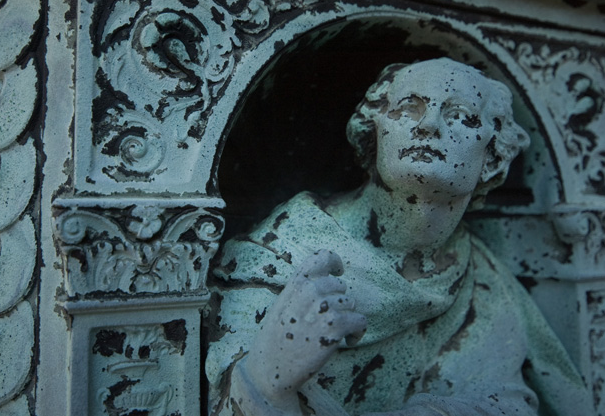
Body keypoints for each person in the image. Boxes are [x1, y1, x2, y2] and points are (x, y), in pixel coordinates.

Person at [205, 58, 593, 416]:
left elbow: (509, 402)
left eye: (458, 115)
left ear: (491, 155)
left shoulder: (484, 281)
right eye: (409, 108)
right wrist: (266, 381)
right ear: (376, 129)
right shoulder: (280, 255)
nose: (428, 125)